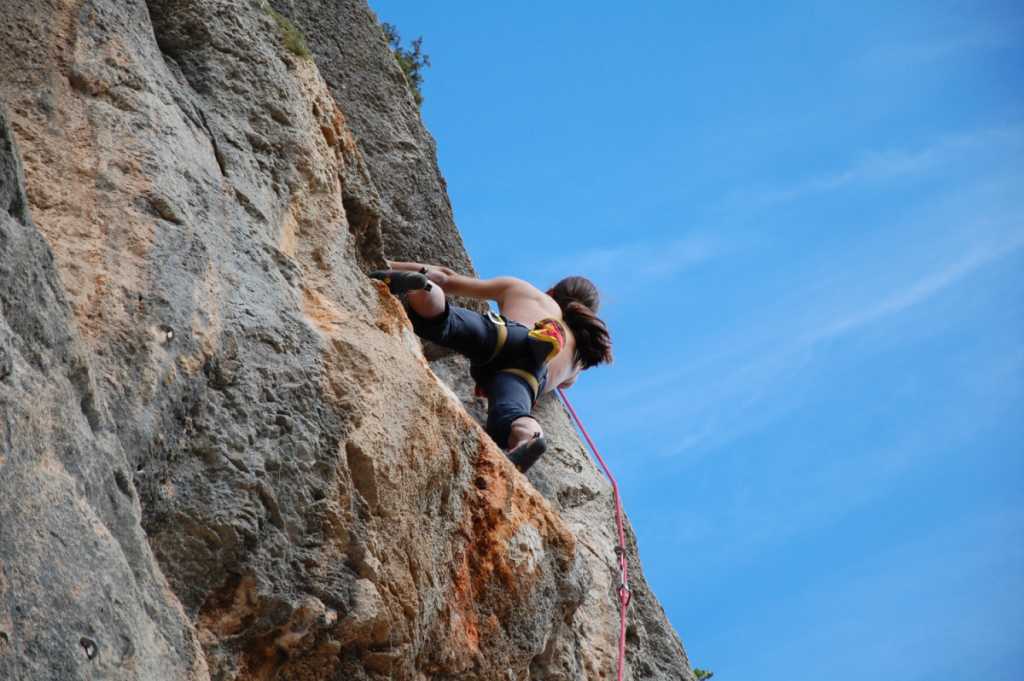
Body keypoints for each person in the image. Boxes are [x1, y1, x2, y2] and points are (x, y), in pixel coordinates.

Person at [370, 262, 613, 472]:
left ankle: (422, 287)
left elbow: (446, 276)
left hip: (504, 334)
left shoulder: (526, 291)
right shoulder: (579, 359)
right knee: (511, 415)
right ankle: (529, 438)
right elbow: (567, 384)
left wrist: (387, 263)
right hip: (527, 373)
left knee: (445, 323)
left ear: (551, 291)